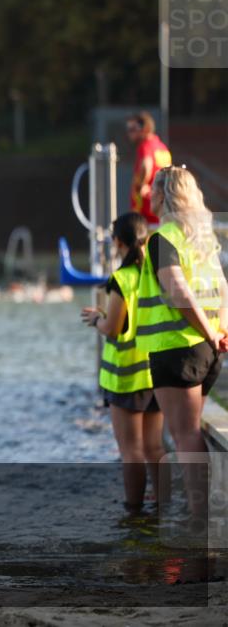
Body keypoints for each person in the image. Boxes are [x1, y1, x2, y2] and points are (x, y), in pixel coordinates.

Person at [136, 167, 228, 516]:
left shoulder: (164, 238)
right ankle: (203, 509)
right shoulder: (201, 238)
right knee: (191, 431)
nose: (149, 197)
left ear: (163, 196)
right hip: (207, 351)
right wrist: (220, 331)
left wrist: (208, 331)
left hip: (177, 349)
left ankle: (199, 515)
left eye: (152, 191)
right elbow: (222, 288)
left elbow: (177, 292)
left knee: (184, 434)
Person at [80, 213, 164, 512]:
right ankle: (164, 505)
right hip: (155, 371)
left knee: (131, 450)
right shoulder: (156, 275)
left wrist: (96, 320)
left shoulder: (122, 278)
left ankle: (134, 510)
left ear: (118, 242)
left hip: (127, 376)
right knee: (155, 447)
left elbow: (114, 328)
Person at [127, 111, 172, 225]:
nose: (129, 133)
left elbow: (146, 165)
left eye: (133, 129)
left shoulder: (145, 146)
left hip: (145, 207)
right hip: (161, 207)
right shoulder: (162, 148)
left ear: (145, 129)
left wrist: (142, 185)